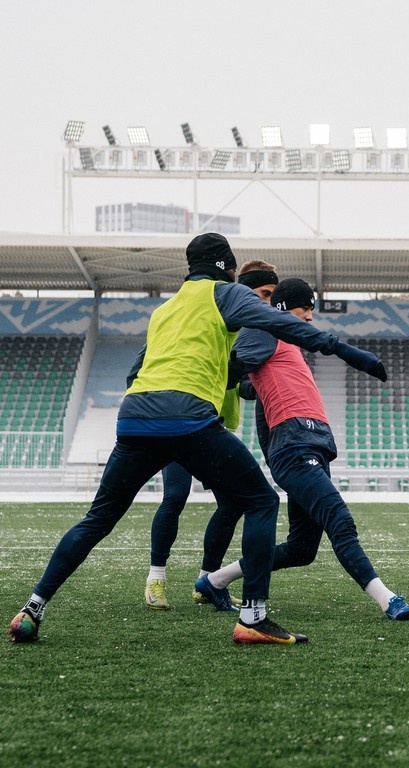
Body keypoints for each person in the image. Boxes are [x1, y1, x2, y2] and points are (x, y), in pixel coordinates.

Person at [8, 233, 388, 646]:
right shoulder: (226, 294)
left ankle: (33, 607)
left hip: (135, 418)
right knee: (260, 501)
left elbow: (135, 372)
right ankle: (253, 618)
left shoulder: (164, 309)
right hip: (188, 419)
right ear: (228, 266)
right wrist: (352, 354)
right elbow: (287, 326)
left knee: (98, 519)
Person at [199, 278, 409, 620]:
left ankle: (215, 580)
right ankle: (387, 599)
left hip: (310, 442)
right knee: (339, 519)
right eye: (306, 308)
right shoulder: (263, 330)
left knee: (302, 549)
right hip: (295, 445)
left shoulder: (285, 343)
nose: (311, 317)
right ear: (284, 309)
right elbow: (233, 369)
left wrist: (247, 386)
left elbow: (250, 383)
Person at [144, 260, 279, 611]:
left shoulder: (249, 328)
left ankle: (207, 582)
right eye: (264, 294)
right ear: (244, 290)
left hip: (214, 427)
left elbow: (244, 384)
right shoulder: (203, 318)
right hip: (181, 419)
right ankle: (155, 579)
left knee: (233, 502)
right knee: (175, 495)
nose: (267, 304)